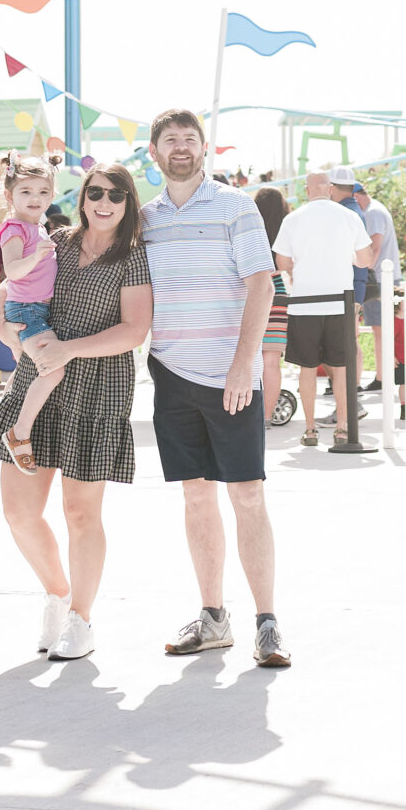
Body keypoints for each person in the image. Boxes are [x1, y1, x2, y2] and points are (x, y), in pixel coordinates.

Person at [0, 162, 155, 663]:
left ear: (127, 204)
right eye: (95, 192)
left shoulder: (134, 256)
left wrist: (71, 349)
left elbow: (133, 331)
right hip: (39, 375)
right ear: (81, 197)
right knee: (18, 511)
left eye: (116, 195)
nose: (104, 202)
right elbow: (6, 287)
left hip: (97, 385)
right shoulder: (54, 238)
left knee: (80, 512)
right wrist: (1, 326)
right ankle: (57, 593)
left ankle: (81, 618)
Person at [142, 108, 287, 668]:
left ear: (205, 148)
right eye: (170, 140)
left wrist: (241, 363)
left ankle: (268, 623)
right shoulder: (146, 218)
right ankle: (213, 618)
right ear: (154, 152)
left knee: (247, 494)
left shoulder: (236, 206)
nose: (180, 147)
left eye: (189, 139)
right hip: (171, 374)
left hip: (231, 376)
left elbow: (261, 284)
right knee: (196, 495)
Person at [277, 170, 379, 449]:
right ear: (330, 189)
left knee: (307, 369)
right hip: (339, 303)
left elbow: (282, 262)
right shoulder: (349, 217)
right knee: (342, 368)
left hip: (304, 304)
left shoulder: (292, 219)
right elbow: (365, 260)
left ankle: (310, 429)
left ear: (307, 190)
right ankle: (343, 428)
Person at [0, 158, 60, 467]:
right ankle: (19, 432)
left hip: (35, 310)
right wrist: (39, 256)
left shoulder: (36, 227)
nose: (36, 199)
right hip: (28, 312)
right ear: (10, 196)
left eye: (43, 192)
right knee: (53, 369)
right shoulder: (15, 228)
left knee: (25, 374)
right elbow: (13, 271)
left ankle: (18, 426)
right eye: (26, 192)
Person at [342, 173, 401, 392]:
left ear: (356, 195)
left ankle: (383, 377)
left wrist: (362, 274)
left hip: (378, 278)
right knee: (381, 330)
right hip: (382, 277)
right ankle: (383, 375)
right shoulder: (376, 209)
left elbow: (374, 248)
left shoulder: (373, 213)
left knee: (380, 330)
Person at [253, 185, 289, 422]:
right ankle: (266, 417)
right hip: (279, 293)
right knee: (271, 360)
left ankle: (250, 414)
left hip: (253, 291)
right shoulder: (287, 230)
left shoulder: (250, 229)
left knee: (248, 356)